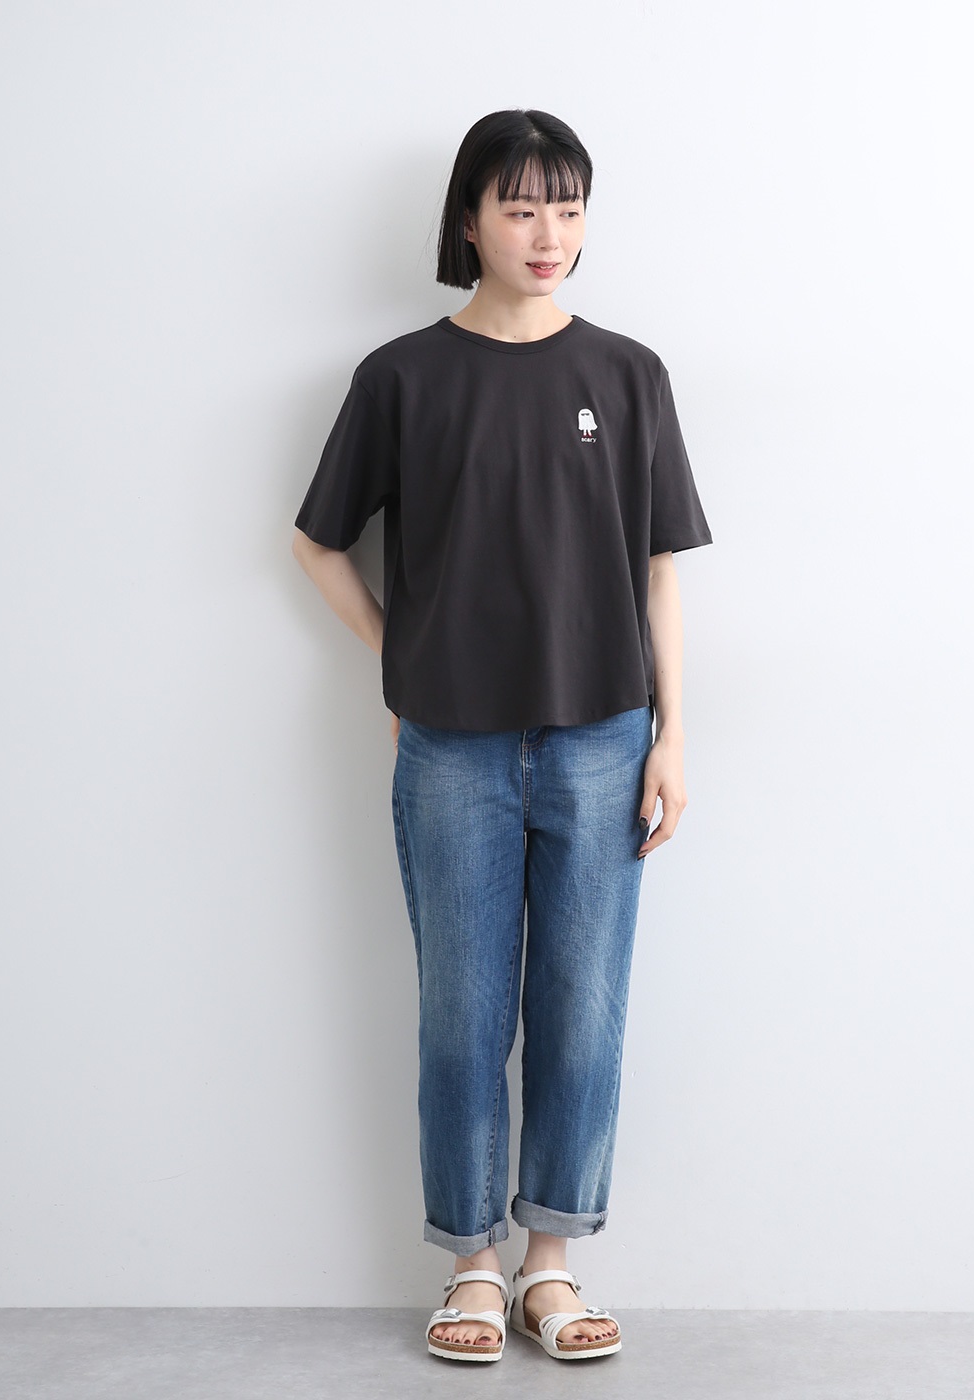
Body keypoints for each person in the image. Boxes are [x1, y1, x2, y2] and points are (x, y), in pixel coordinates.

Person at [292, 109, 713, 1363]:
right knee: (463, 1013)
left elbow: (660, 568)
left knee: (584, 1010)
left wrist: (674, 734)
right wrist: (401, 660)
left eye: (568, 208)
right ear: (468, 219)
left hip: (604, 739)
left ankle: (551, 1265)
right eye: (522, 206)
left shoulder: (629, 373)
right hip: (453, 750)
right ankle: (471, 1265)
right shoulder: (401, 378)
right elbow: (317, 540)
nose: (548, 233)